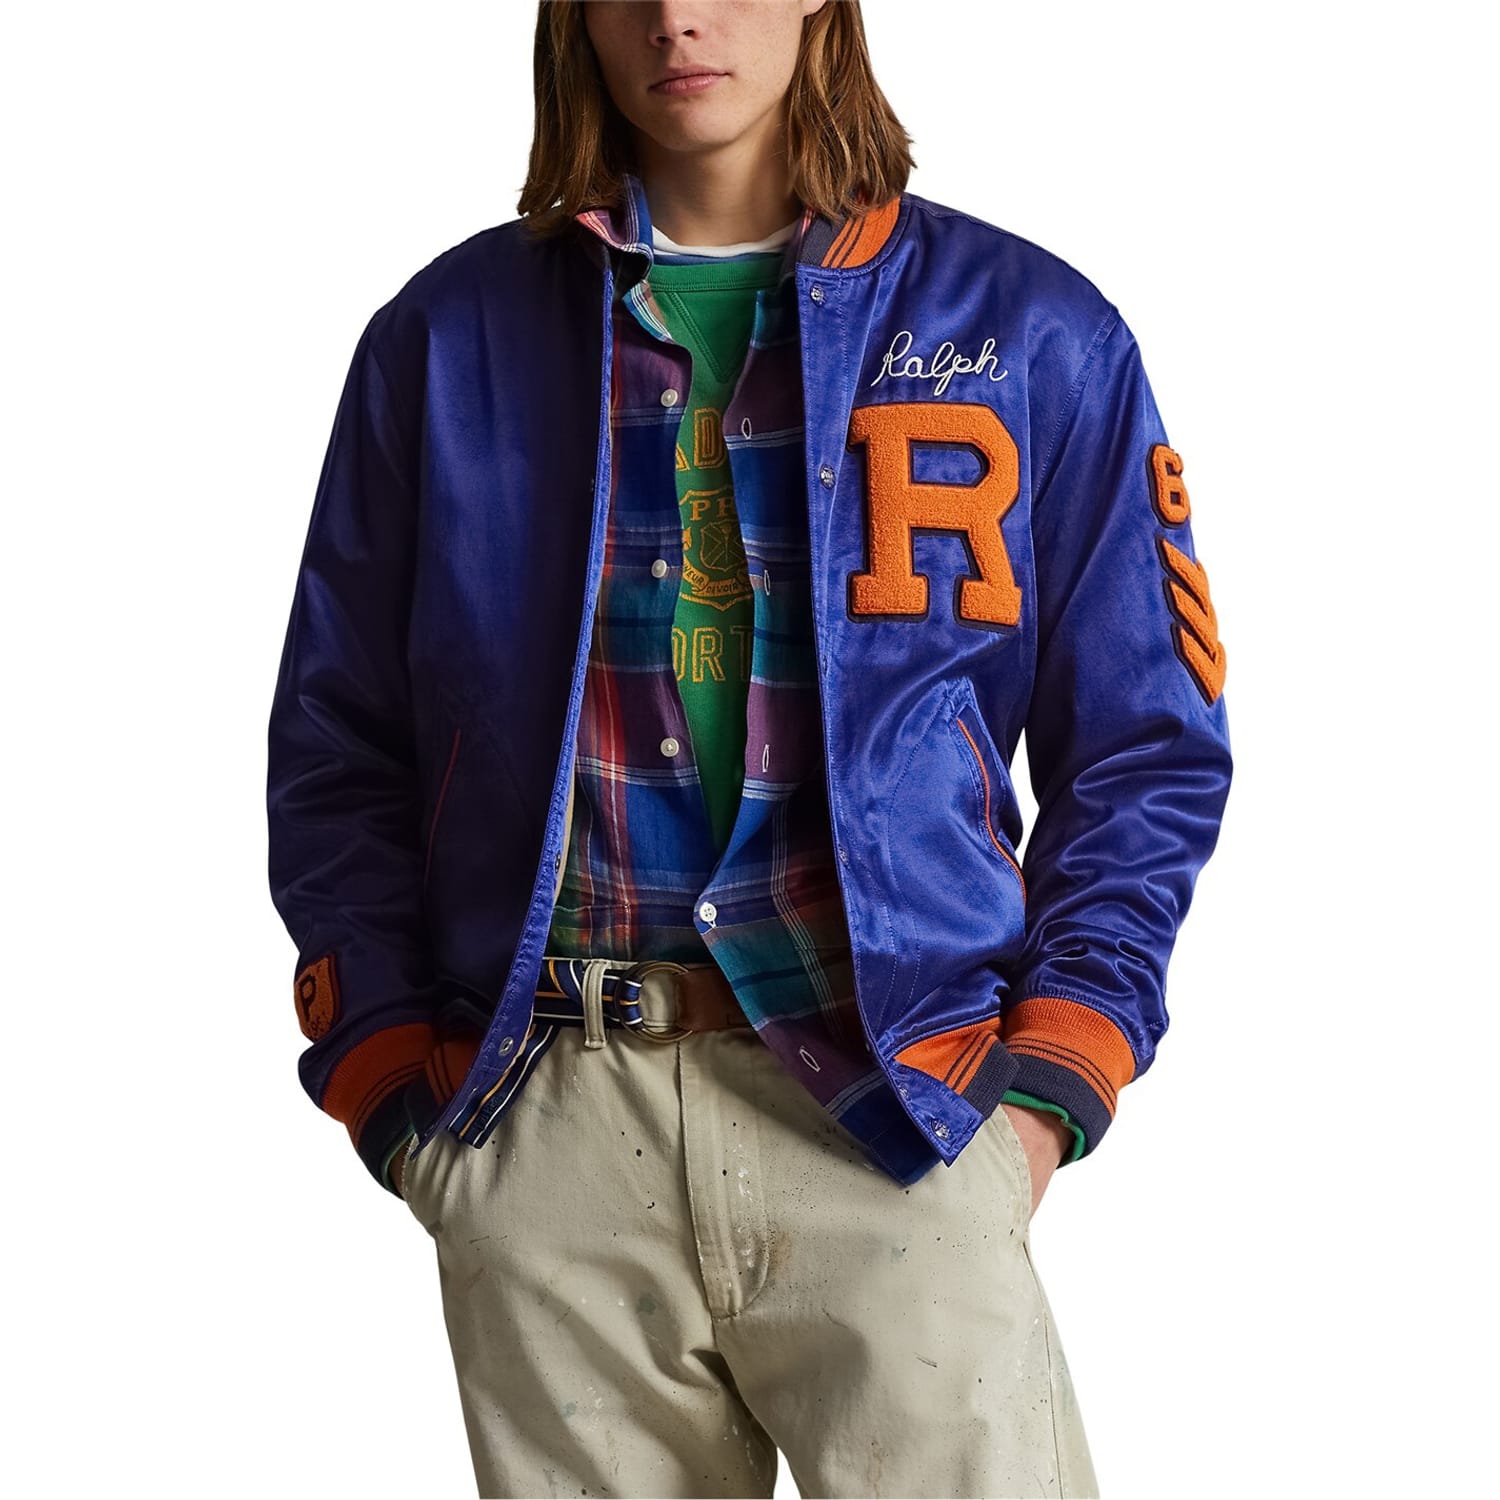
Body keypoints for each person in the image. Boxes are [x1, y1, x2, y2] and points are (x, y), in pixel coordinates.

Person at [265, 2, 1232, 1495]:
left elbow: (1144, 749)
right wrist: (396, 1085)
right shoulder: (446, 340)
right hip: (553, 1127)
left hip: (903, 1107)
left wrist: (1048, 1088)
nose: (679, 17)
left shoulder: (1033, 330)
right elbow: (338, 741)